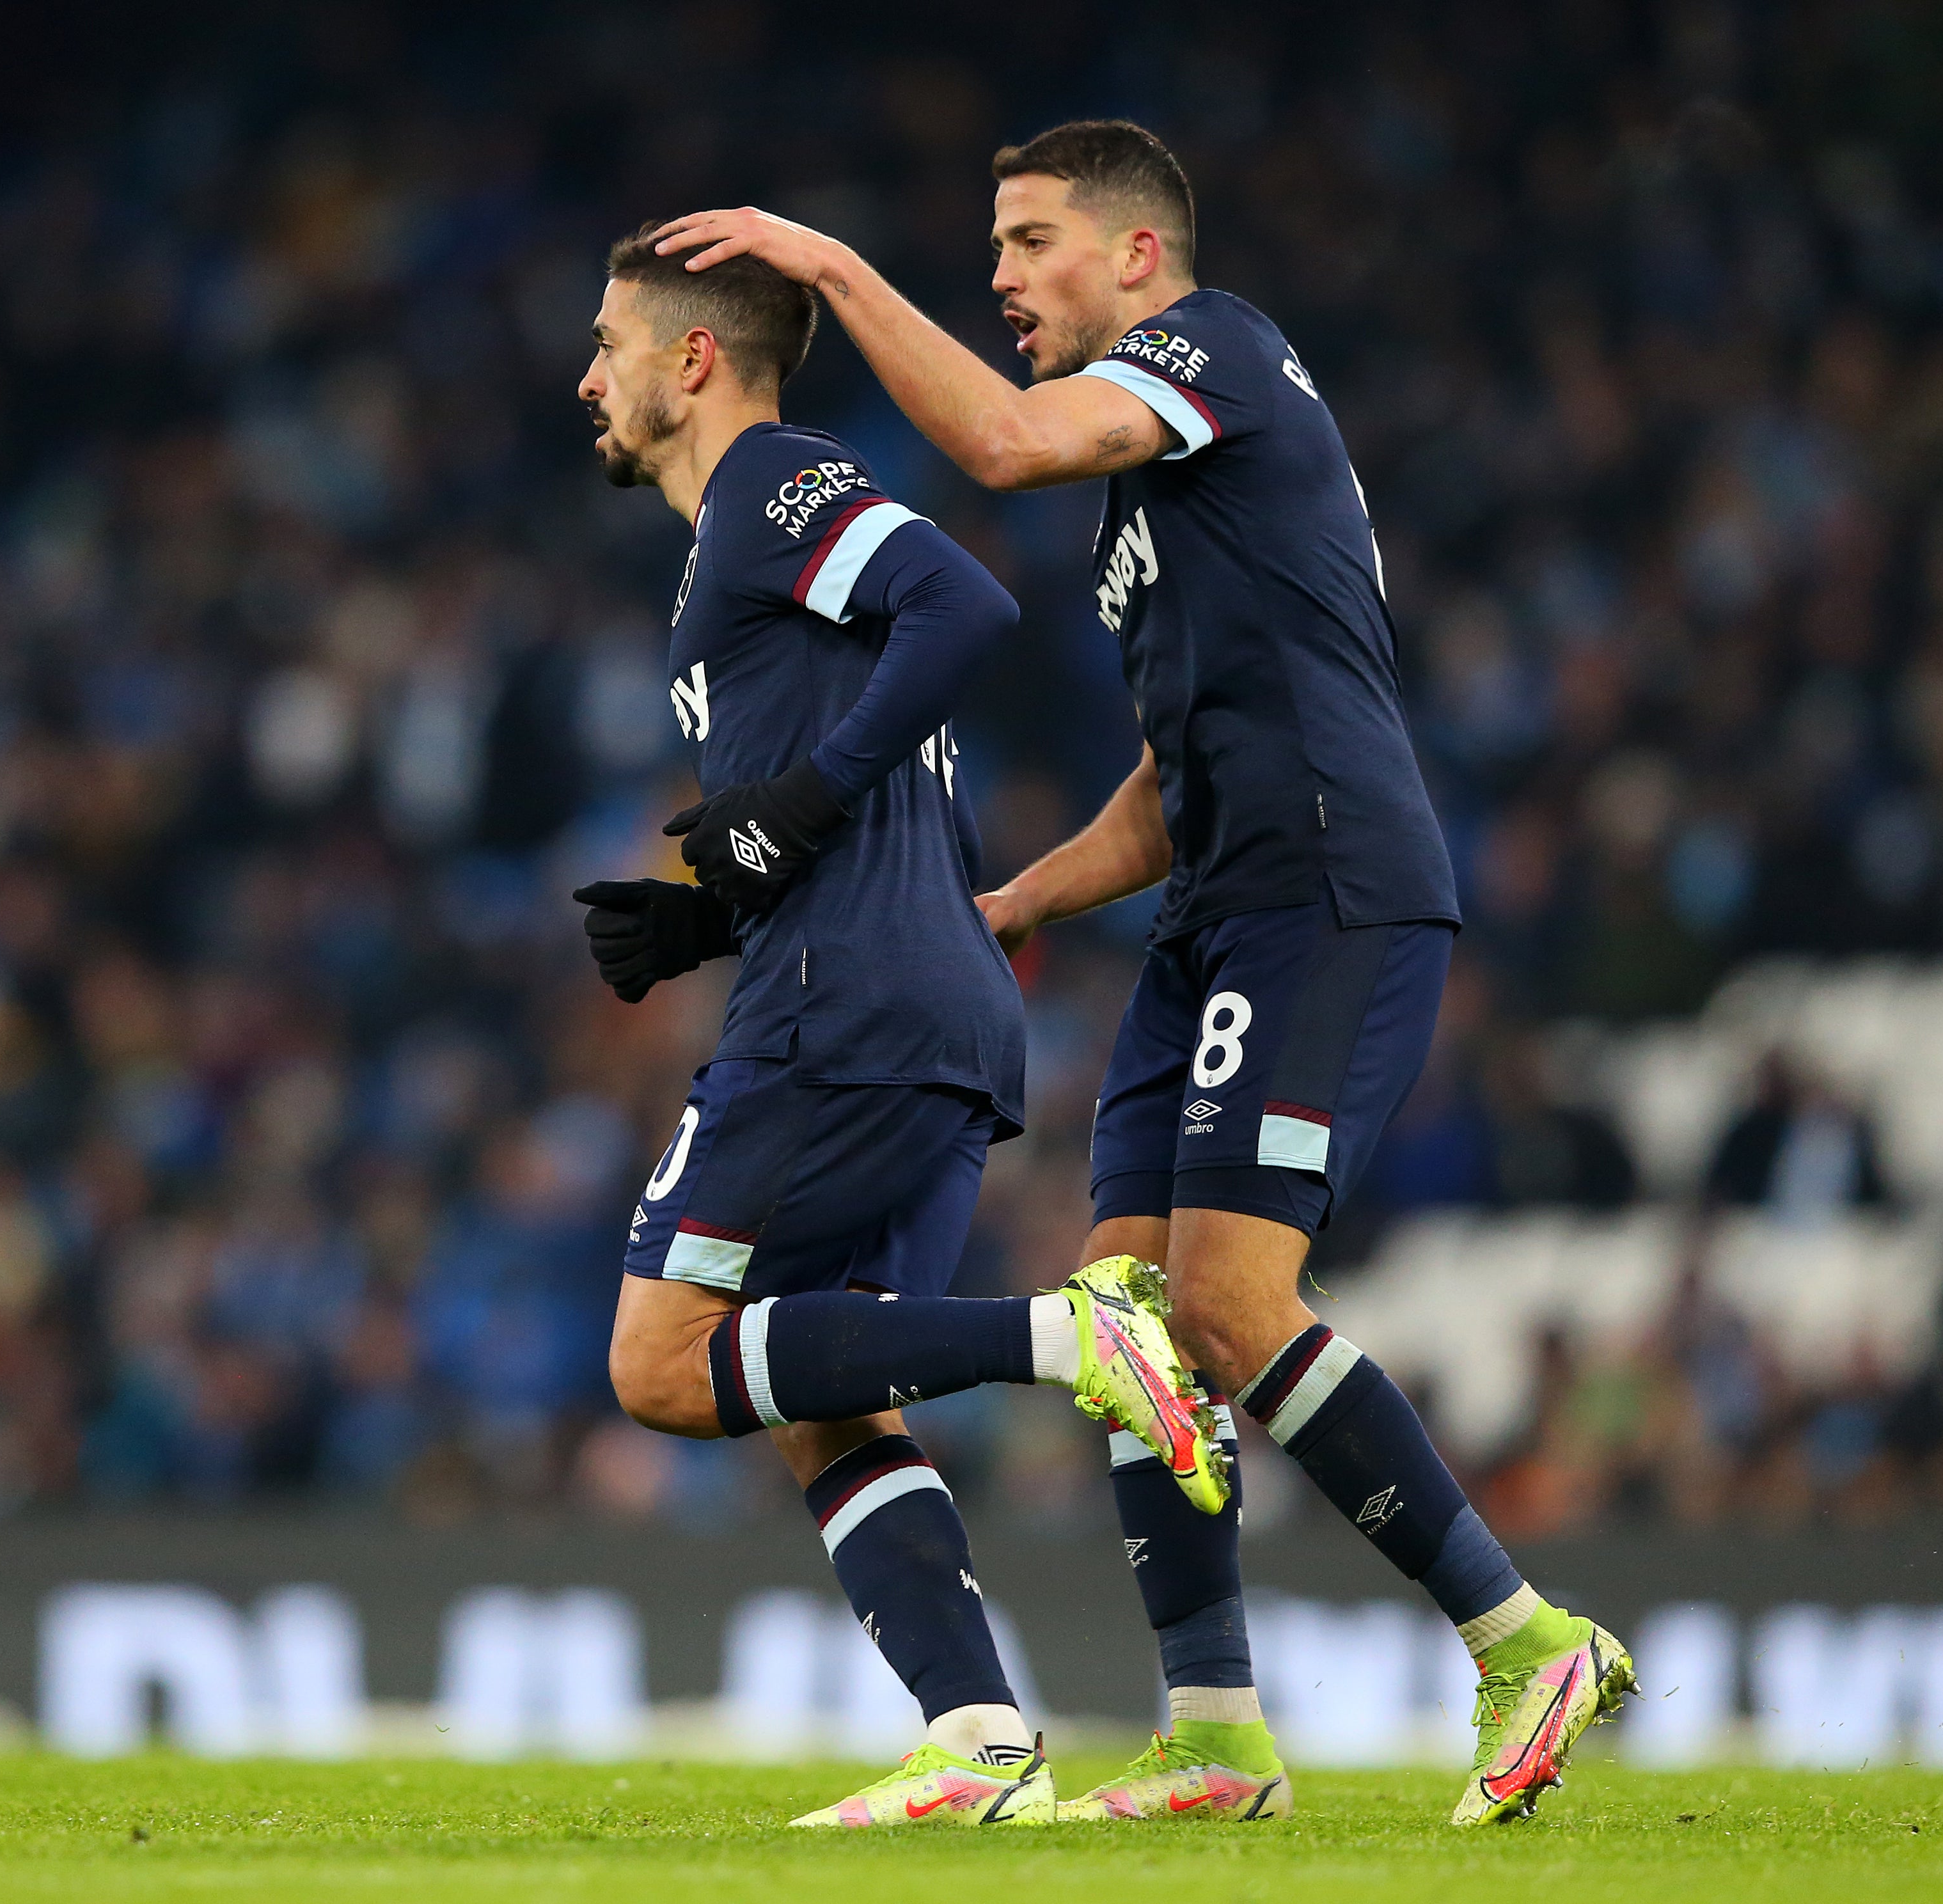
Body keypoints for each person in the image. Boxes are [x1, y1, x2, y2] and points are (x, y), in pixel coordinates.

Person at [654, 120, 1635, 1828]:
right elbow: (1174, 779)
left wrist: (822, 267)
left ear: (1133, 257)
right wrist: (1027, 892)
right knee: (1123, 1298)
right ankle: (1214, 1728)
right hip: (1218, 906)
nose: (1002, 273)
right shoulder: (1162, 493)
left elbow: (998, 439)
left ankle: (1517, 1633)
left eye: (1029, 241)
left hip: (1323, 892)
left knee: (1230, 1306)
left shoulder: (1217, 350)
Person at [571, 222, 1219, 1829]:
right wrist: (705, 910)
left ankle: (1067, 1336)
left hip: (847, 1004)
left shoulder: (770, 484)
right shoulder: (735, 544)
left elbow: (962, 603)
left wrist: (788, 807)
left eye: (608, 344)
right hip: (914, 994)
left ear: (692, 360)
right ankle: (980, 1733)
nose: (587, 377)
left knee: (661, 1367)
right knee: (823, 1395)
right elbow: (836, 767)